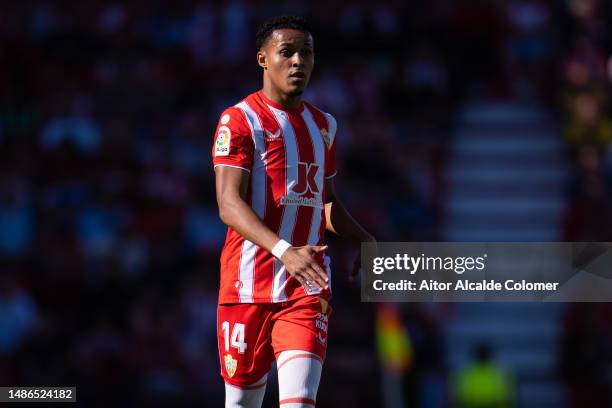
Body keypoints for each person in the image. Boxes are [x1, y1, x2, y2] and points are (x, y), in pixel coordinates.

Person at [212, 15, 375, 408]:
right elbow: (228, 204)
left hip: (307, 285)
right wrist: (286, 251)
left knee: (299, 402)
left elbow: (325, 201)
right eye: (287, 52)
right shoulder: (239, 120)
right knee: (241, 403)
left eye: (307, 53)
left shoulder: (325, 126)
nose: (298, 61)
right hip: (247, 285)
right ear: (263, 59)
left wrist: (365, 239)